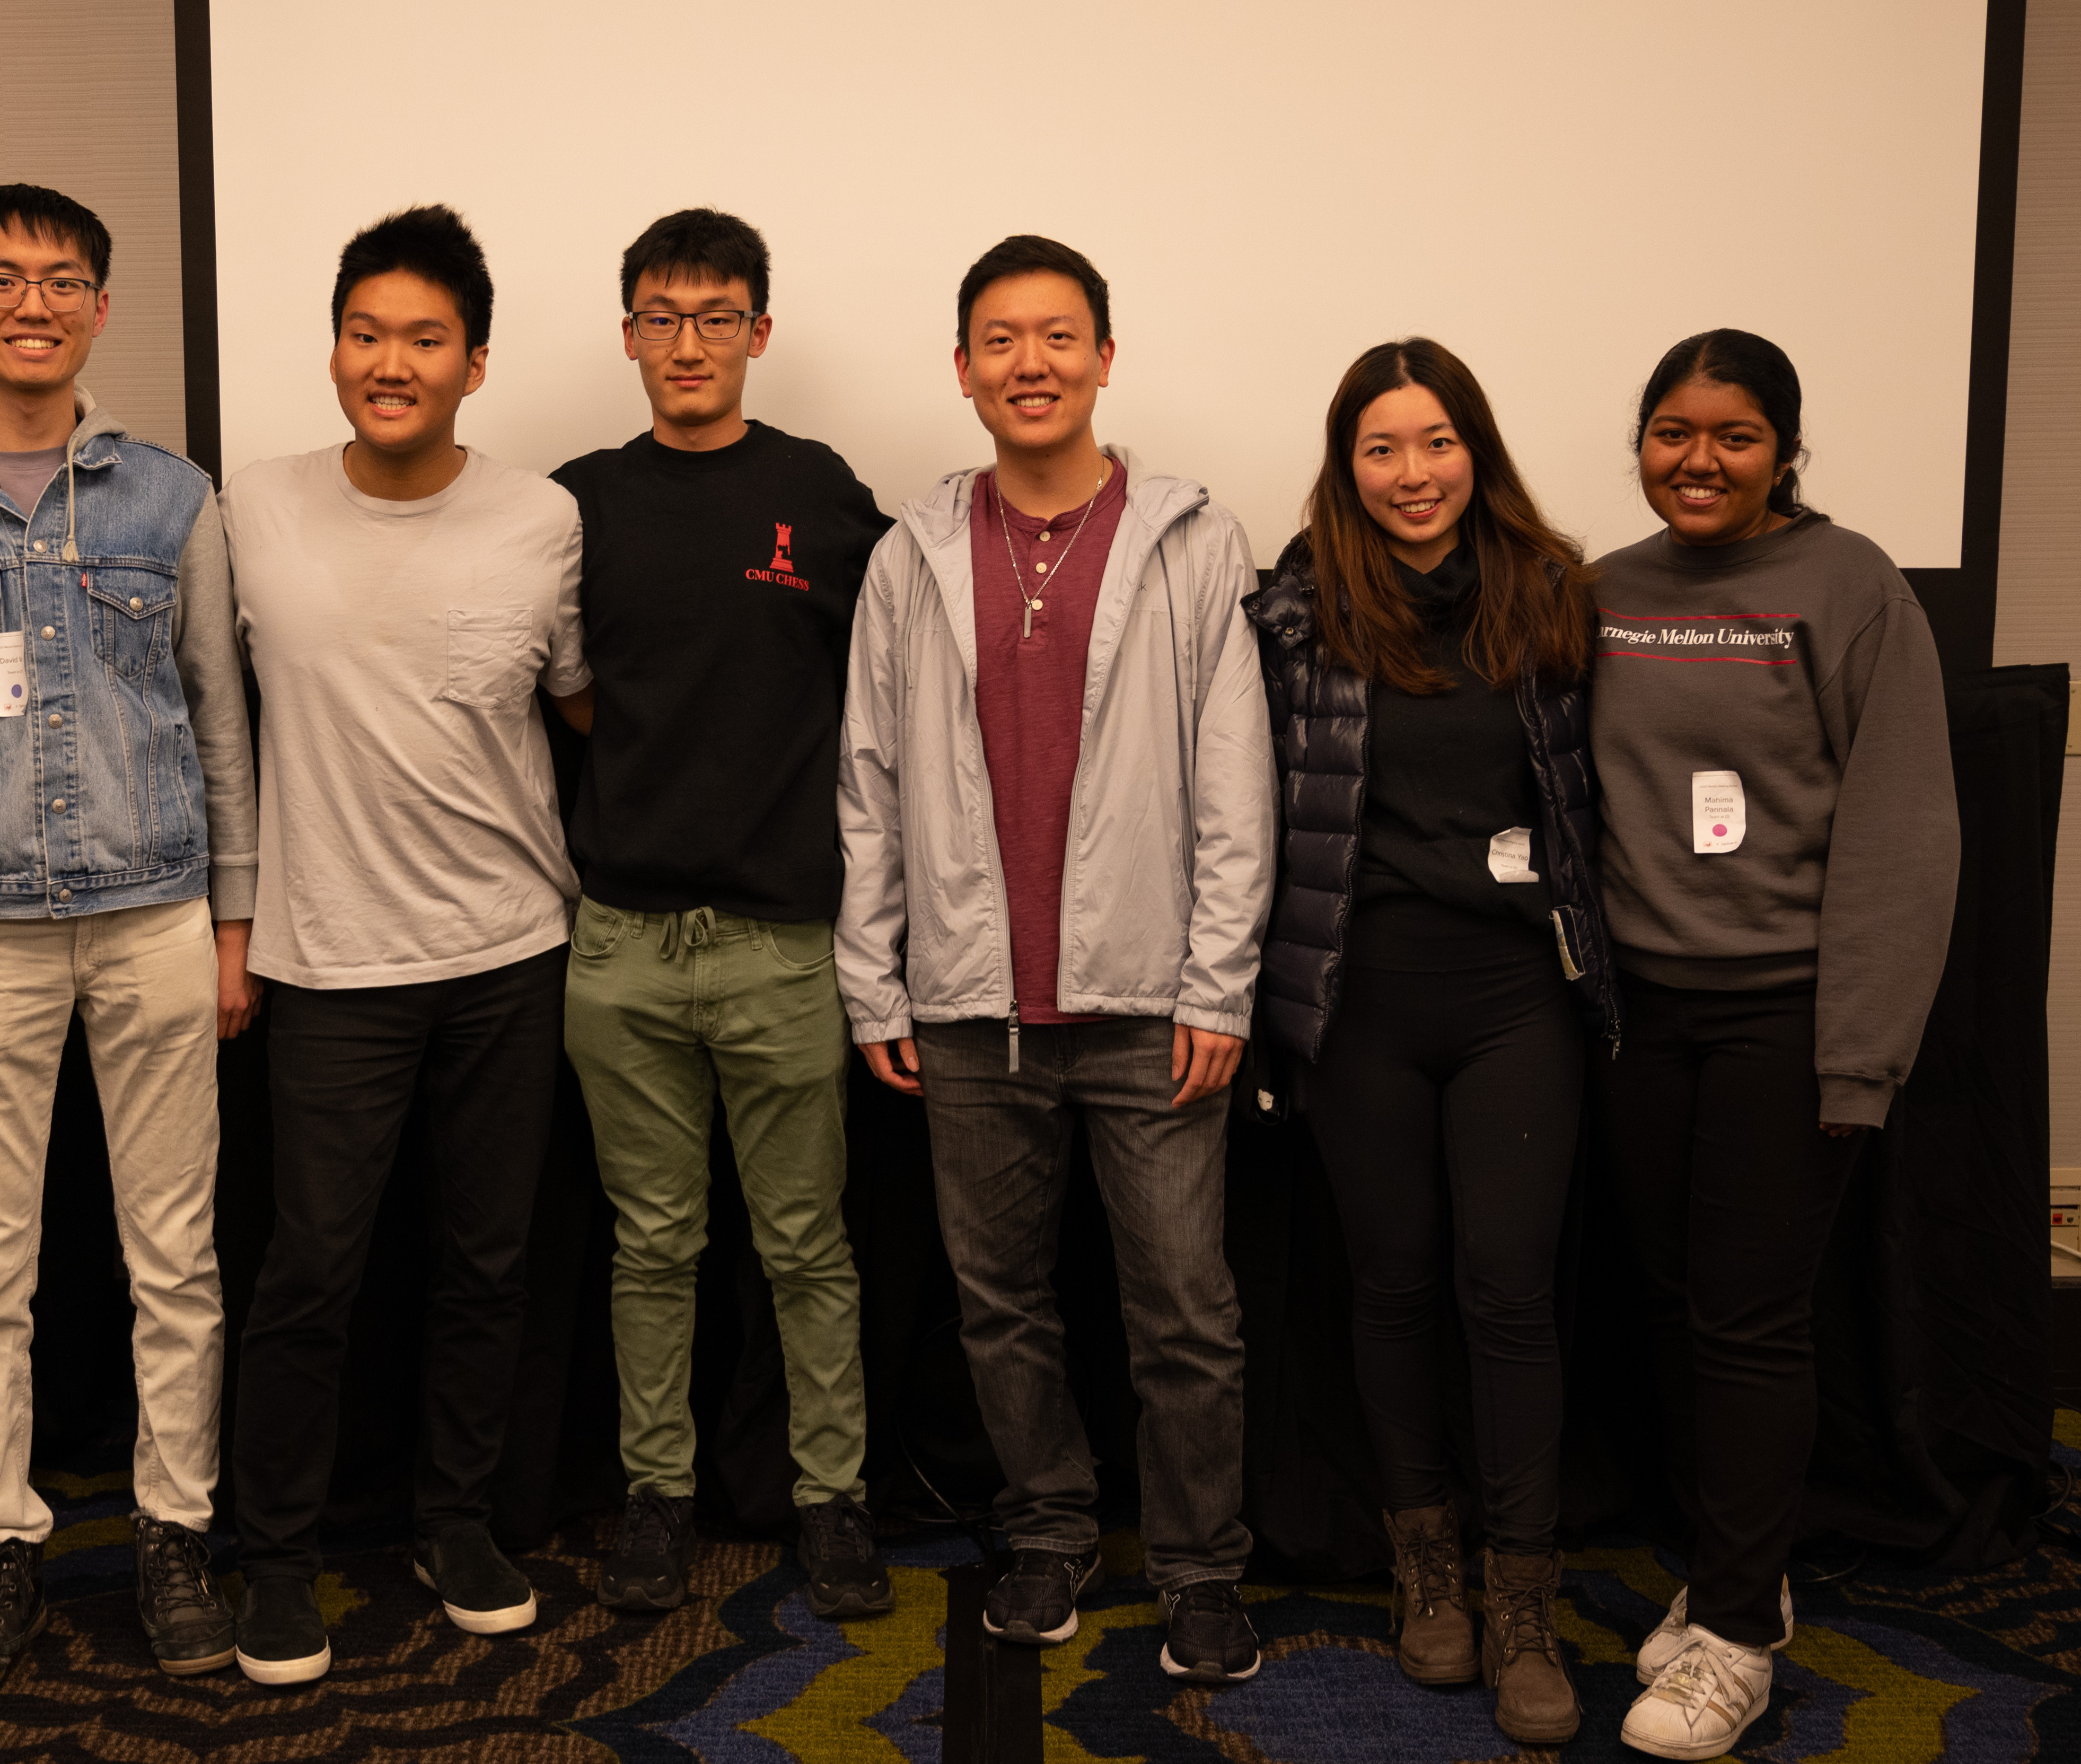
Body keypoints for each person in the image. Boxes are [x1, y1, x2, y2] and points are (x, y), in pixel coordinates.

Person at [836, 235, 1275, 1684]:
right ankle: (1047, 1529)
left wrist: (1219, 984)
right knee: (1002, 1301)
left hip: (1149, 1003)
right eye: (1000, 341)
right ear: (963, 370)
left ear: (1102, 356)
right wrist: (874, 980)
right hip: (968, 1006)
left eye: (1058, 336)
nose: (1030, 364)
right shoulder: (911, 552)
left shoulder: (1188, 539)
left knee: (1184, 1313)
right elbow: (870, 776)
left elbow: (1234, 776)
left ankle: (1206, 1566)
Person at [0, 183, 256, 1698]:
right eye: (1, 278)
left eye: (64, 278)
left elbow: (221, 713)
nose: (34, 300)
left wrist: (233, 922)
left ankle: (171, 1532)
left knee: (176, 1260)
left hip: (154, 913)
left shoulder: (171, 497)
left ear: (102, 305)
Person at [221, 206, 591, 1686]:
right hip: (326, 959)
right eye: (366, 333)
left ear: (474, 363)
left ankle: (457, 1523)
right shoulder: (248, 506)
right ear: (333, 350)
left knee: (485, 1262)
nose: (391, 362)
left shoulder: (542, 518)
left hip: (510, 949)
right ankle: (272, 1560)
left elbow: (584, 708)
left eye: (423, 339)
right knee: (310, 1270)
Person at [1243, 338, 1617, 1747]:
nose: (1414, 473)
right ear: (1347, 466)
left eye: (1437, 441)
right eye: (1382, 448)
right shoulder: (1295, 612)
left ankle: (1522, 1600)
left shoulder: (1552, 593)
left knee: (1506, 1290)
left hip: (1518, 994)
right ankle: (1426, 1578)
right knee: (1391, 1286)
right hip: (1357, 1002)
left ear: (1477, 447)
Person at [1593, 329, 1959, 1760]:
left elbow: (1902, 833)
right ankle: (1732, 1574)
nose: (1698, 460)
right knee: (1680, 1303)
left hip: (1780, 1016)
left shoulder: (1849, 585)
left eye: (1733, 436)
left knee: (1748, 1319)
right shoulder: (1604, 593)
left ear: (1784, 450)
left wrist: (1855, 1055)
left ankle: (1735, 1635)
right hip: (1634, 1016)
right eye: (1671, 432)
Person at [551, 208, 895, 1619]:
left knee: (806, 1244)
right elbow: (562, 688)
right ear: (627, 331)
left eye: (714, 317)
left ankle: (831, 1498)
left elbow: (894, 672)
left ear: (758, 332)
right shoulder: (572, 500)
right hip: (621, 943)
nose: (685, 344)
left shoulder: (817, 494)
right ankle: (657, 1495)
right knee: (650, 1246)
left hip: (777, 945)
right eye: (658, 316)